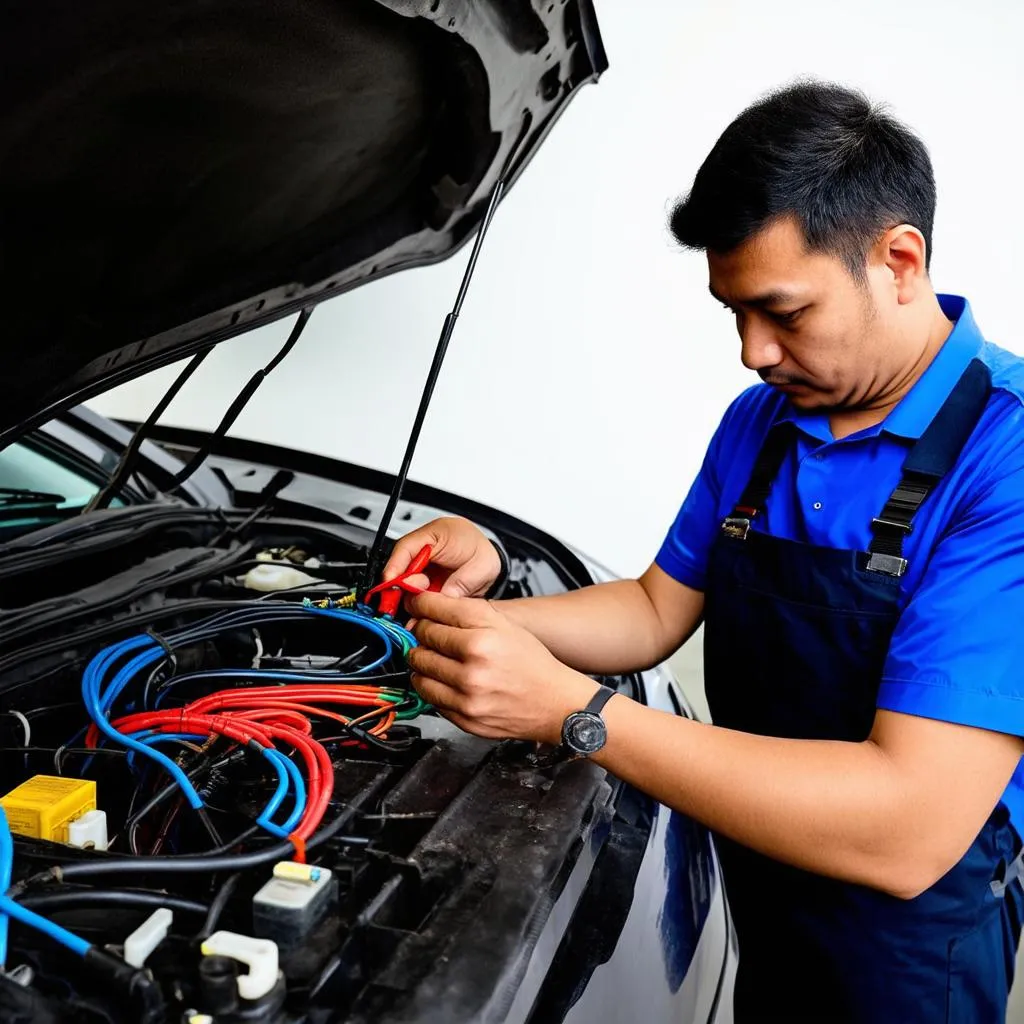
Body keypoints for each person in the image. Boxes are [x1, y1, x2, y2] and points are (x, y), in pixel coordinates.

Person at [383, 81, 1024, 1023]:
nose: (752, 352)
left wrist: (573, 712)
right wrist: (478, 616)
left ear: (898, 261)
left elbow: (909, 828)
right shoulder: (763, 421)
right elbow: (652, 611)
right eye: (735, 314)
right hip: (754, 885)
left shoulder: (1004, 459)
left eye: (784, 312)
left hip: (902, 949)